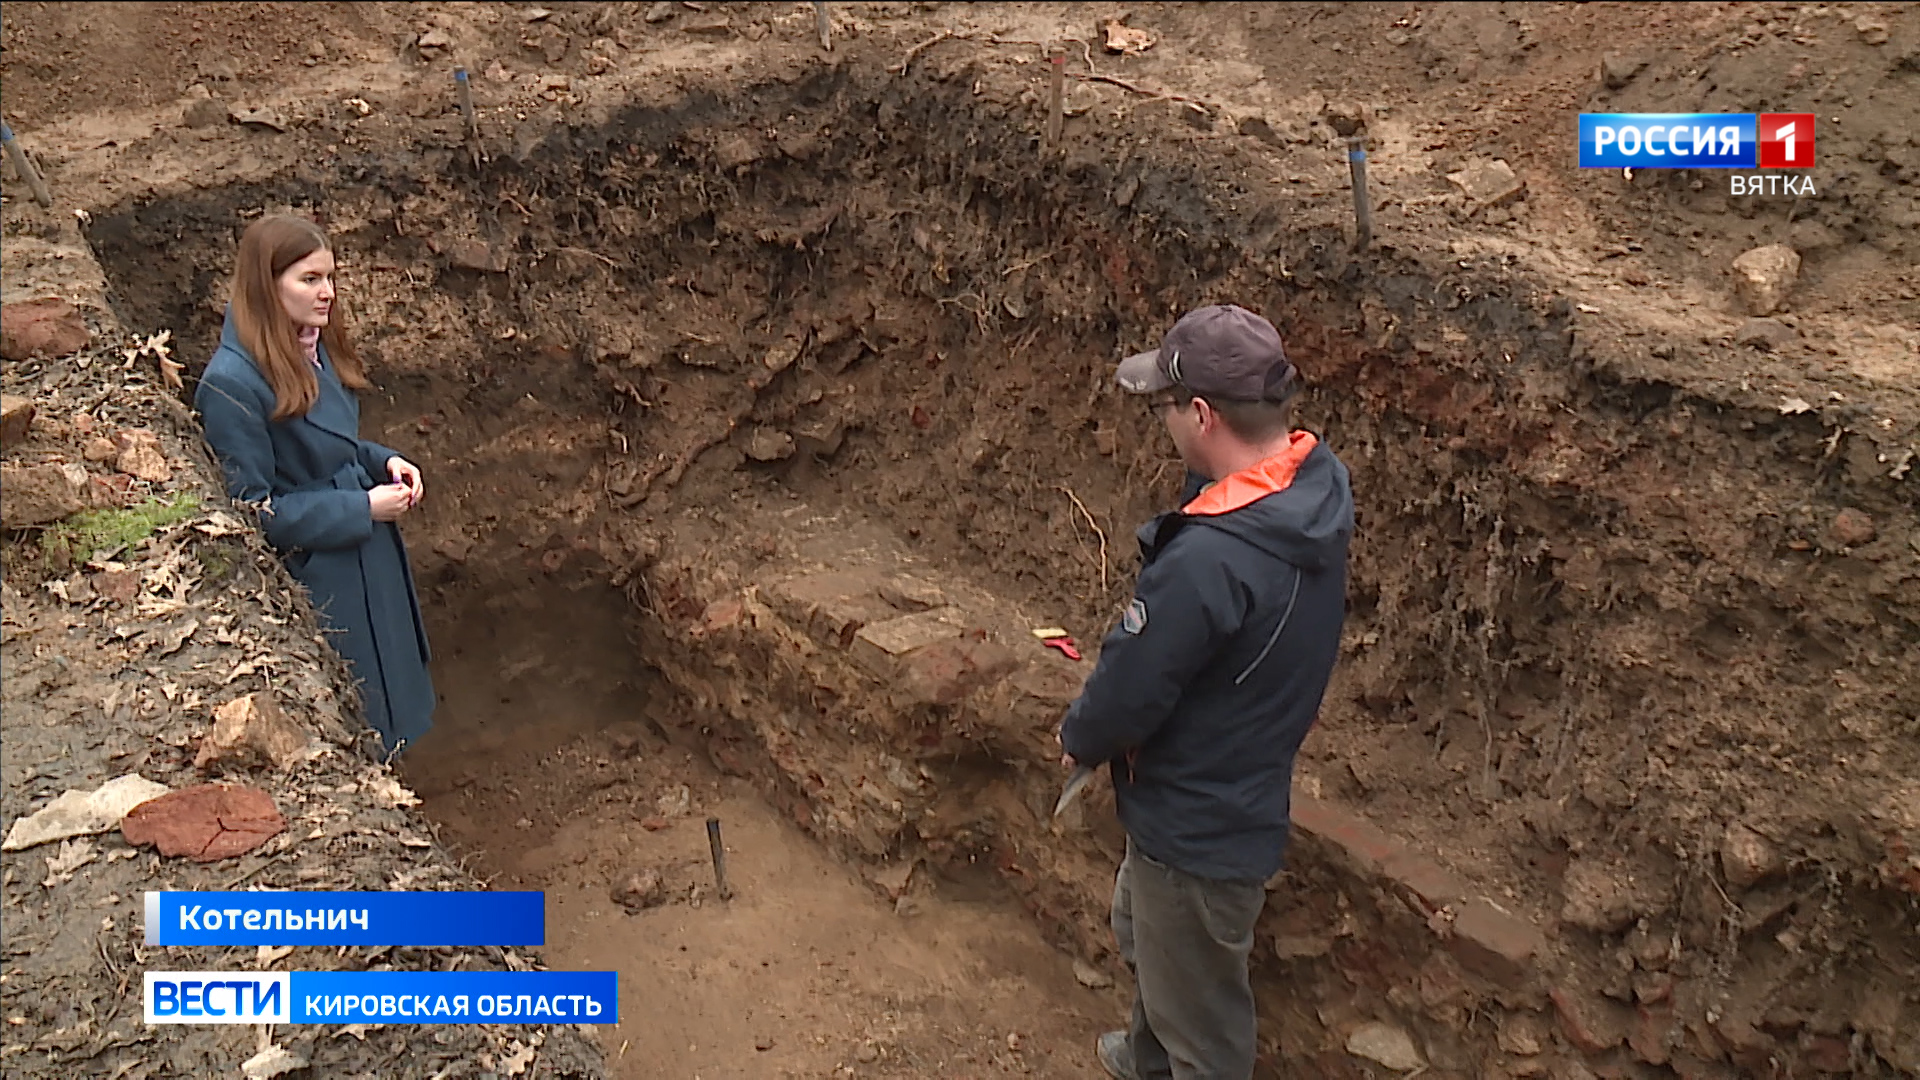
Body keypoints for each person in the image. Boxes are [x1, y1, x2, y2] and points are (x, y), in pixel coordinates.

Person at [1059, 304, 1354, 1080]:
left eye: (1164, 404)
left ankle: (1173, 1059)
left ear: (1202, 413)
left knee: (1202, 1022)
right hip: (1231, 783)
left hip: (1198, 817)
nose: (1159, 419)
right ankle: (1146, 1056)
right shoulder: (1312, 487)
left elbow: (1133, 683)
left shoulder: (1211, 563)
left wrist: (1079, 738)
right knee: (1148, 936)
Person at [195, 214, 435, 757]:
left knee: (395, 689)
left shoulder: (311, 344)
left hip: (367, 553)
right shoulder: (231, 385)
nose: (327, 293)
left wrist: (384, 461)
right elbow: (251, 512)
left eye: (329, 277)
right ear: (267, 284)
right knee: (357, 707)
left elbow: (332, 446)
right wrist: (360, 508)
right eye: (309, 279)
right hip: (322, 573)